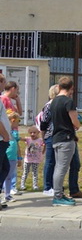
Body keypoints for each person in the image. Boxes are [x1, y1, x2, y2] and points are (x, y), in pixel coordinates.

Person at [50, 76, 82, 207]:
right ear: (71, 88)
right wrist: (78, 124)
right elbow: (75, 122)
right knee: (62, 168)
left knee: (58, 167)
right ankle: (58, 195)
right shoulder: (68, 102)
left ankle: (58, 193)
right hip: (66, 138)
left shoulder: (54, 101)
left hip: (56, 137)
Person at [0, 76, 14, 207]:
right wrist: (4, 135)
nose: (5, 85)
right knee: (2, 168)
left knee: (5, 168)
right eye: (4, 82)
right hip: (1, 139)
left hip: (3, 139)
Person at [3, 110, 21, 203]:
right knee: (4, 175)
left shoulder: (14, 133)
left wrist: (19, 157)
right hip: (6, 156)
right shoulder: (5, 131)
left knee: (9, 176)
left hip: (13, 157)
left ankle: (7, 194)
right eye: (18, 121)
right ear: (13, 120)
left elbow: (17, 145)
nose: (18, 124)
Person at [20, 126, 43, 191]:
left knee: (35, 173)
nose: (32, 134)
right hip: (28, 159)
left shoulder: (40, 140)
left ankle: (35, 185)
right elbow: (21, 139)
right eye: (31, 133)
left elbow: (44, 145)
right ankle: (22, 185)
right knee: (25, 172)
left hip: (36, 160)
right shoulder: (28, 139)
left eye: (34, 132)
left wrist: (42, 152)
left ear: (38, 133)